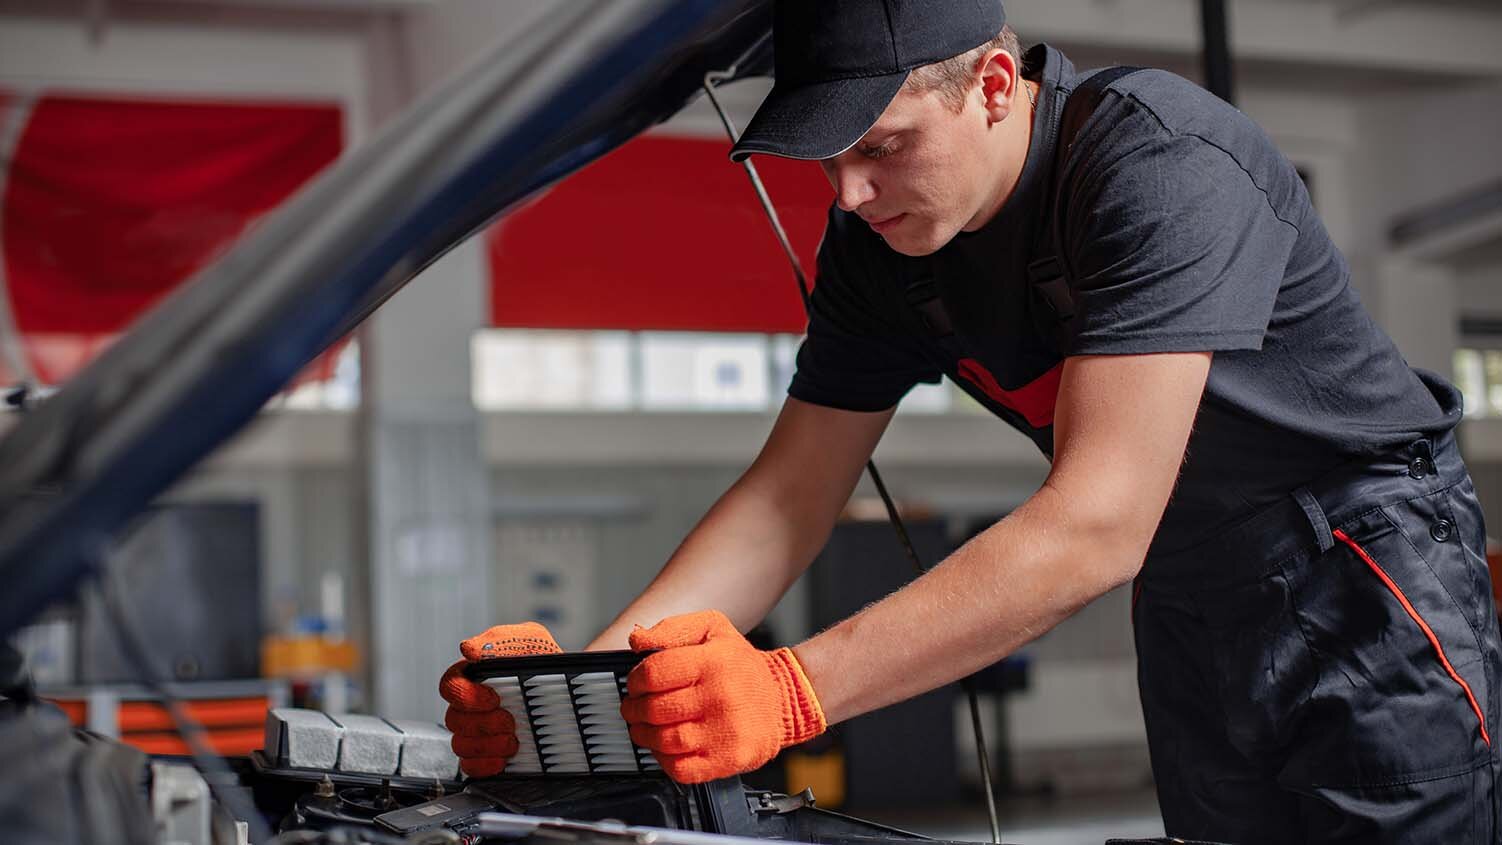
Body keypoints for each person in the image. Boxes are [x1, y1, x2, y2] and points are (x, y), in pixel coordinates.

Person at [440, 1, 1502, 840]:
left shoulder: (1155, 166)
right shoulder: (879, 246)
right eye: (825, 157)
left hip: (1361, 560)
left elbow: (1095, 521)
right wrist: (570, 700)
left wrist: (791, 686)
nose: (848, 191)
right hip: (1189, 583)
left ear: (992, 86)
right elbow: (787, 492)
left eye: (882, 145)